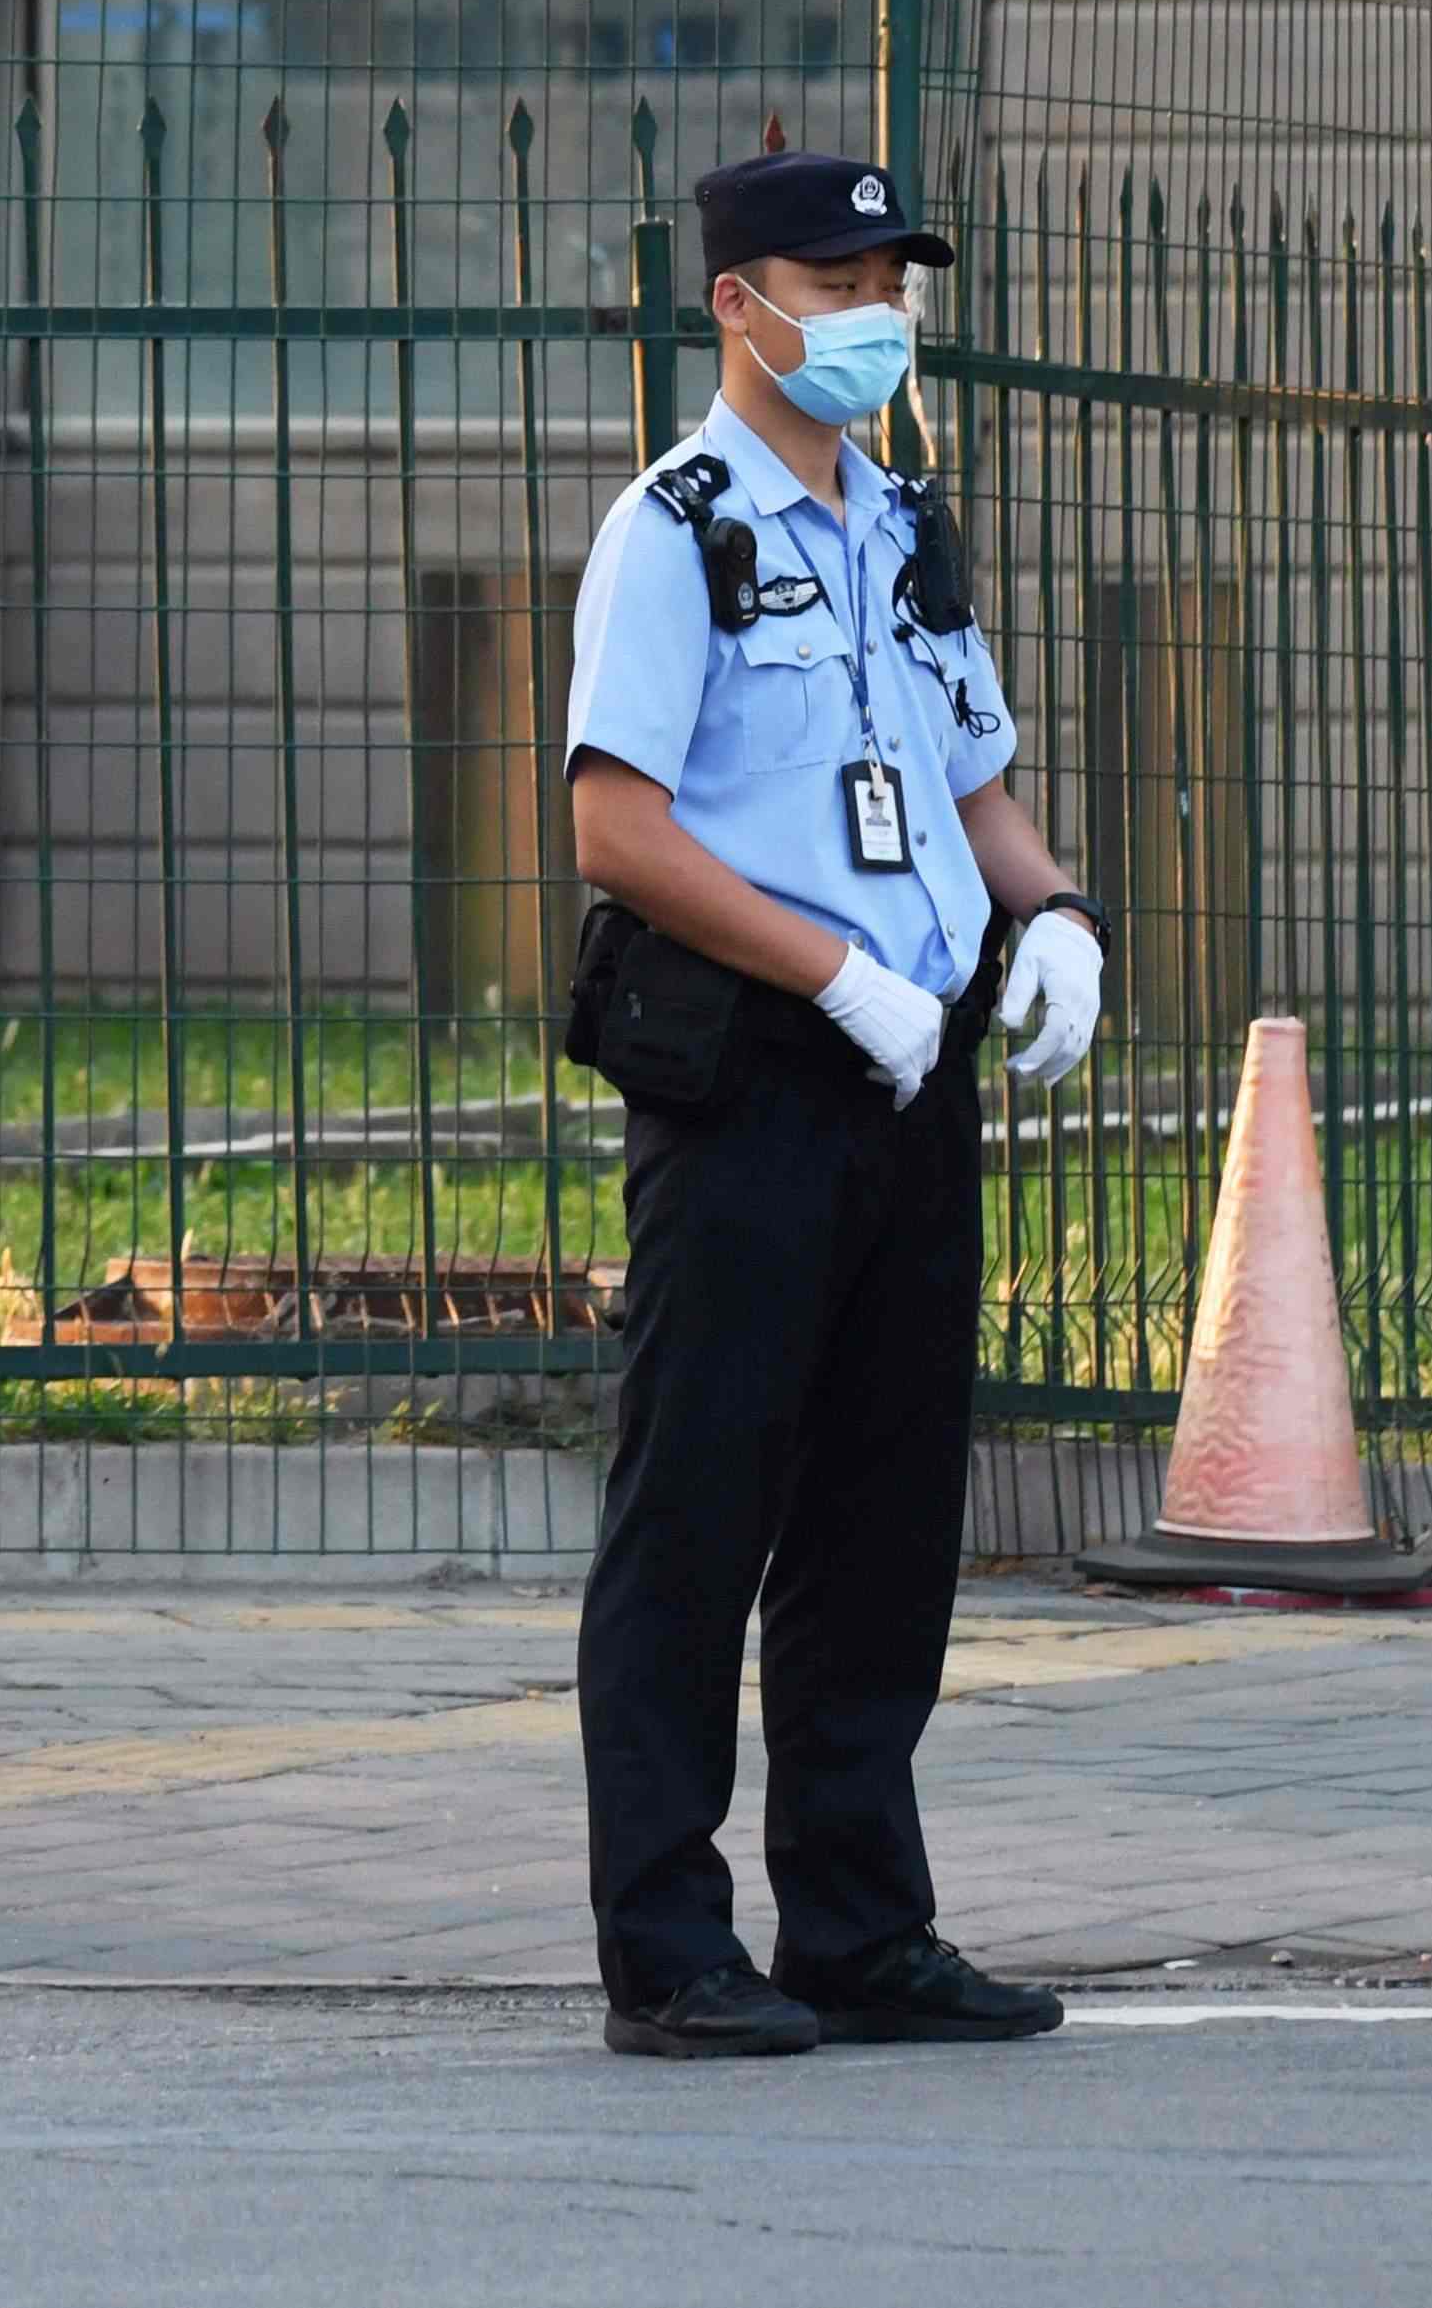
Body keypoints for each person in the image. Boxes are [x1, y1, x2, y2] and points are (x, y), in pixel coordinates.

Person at [555, 144, 1110, 2061]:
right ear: (736, 301)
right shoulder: (672, 525)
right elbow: (614, 824)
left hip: (912, 1066)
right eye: (834, 274)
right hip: (762, 1069)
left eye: (890, 277)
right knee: (699, 1504)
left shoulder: (897, 524)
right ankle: (667, 1941)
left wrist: (1047, 913)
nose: (872, 310)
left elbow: (972, 777)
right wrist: (835, 969)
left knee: (885, 1509)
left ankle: (860, 1926)